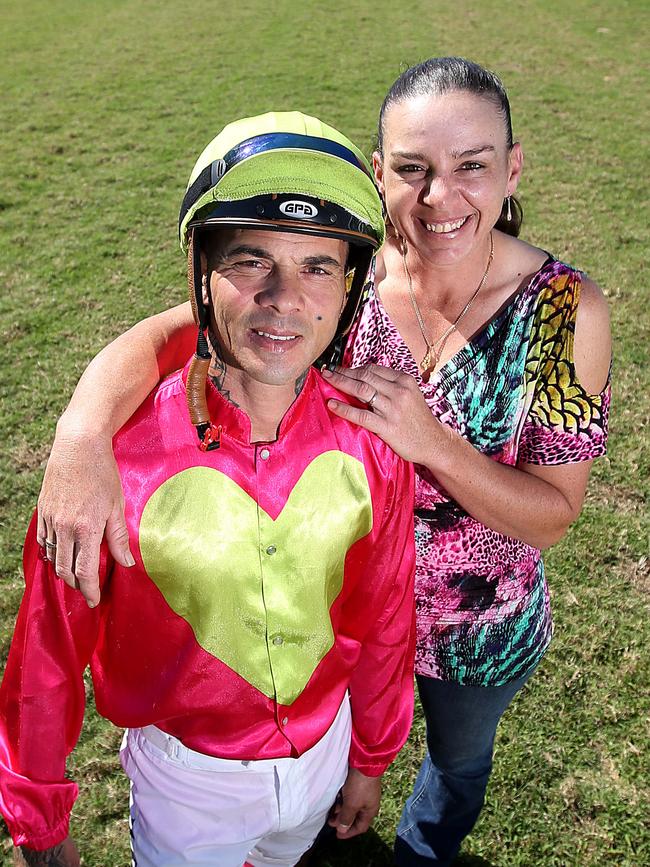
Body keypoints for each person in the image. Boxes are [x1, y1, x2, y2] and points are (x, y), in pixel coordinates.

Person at [33, 58, 611, 865]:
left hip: (471, 624)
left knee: (457, 761)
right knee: (320, 783)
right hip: (323, 615)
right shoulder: (345, 265)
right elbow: (190, 323)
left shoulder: (563, 310)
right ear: (379, 175)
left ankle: (423, 846)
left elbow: (556, 512)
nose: (439, 198)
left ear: (511, 167)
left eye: (471, 166)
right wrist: (84, 428)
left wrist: (432, 443)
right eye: (412, 170)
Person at [0, 111, 417, 867]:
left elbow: (385, 614)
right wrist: (39, 821)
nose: (286, 297)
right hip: (189, 783)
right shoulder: (109, 468)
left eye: (318, 266)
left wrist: (372, 754)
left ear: (350, 283)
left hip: (324, 756)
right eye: (252, 261)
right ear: (200, 269)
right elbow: (46, 661)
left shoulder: (374, 445)